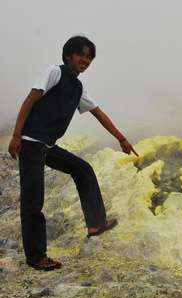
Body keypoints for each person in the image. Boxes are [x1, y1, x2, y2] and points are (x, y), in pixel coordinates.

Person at [7, 35, 138, 271]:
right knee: (33, 202)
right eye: (81, 55)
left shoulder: (78, 88)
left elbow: (99, 113)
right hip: (30, 143)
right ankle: (36, 257)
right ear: (69, 55)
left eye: (89, 58)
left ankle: (96, 224)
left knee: (82, 169)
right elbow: (29, 100)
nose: (85, 60)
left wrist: (122, 138)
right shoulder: (54, 73)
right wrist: (16, 135)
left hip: (47, 146)